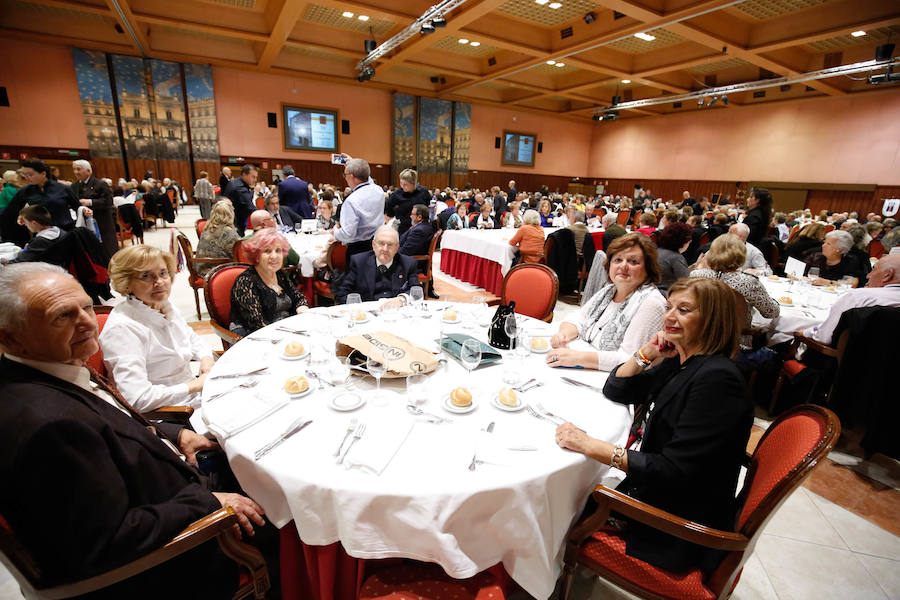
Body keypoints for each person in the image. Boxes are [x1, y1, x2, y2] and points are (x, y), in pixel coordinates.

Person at [0, 263, 270, 597]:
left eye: (85, 307)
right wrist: (208, 502)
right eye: (62, 316)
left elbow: (108, 424)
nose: (86, 322)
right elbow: (104, 541)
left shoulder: (52, 368)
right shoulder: (47, 427)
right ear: (10, 336)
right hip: (181, 558)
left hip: (167, 474)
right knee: (289, 505)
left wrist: (176, 434)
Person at [556, 277, 752, 573]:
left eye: (684, 310)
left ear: (712, 319)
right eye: (670, 306)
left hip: (673, 526)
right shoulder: (684, 359)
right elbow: (617, 389)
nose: (670, 316)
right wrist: (647, 353)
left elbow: (672, 471)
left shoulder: (718, 381)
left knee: (560, 502)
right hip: (658, 494)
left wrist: (590, 445)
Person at [99, 245, 214, 412]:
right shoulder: (123, 328)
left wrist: (206, 358)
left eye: (163, 273)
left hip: (194, 397)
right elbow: (137, 398)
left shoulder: (165, 306)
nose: (159, 282)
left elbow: (191, 339)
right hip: (168, 413)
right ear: (127, 283)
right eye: (146, 276)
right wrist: (194, 386)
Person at [547, 233, 666, 371]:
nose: (623, 266)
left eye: (633, 261)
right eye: (618, 260)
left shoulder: (651, 303)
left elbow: (630, 359)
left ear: (648, 269)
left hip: (613, 380)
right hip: (587, 368)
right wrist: (564, 335)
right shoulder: (609, 290)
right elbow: (579, 318)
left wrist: (578, 358)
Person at [691, 234, 779, 346]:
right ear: (742, 255)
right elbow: (771, 312)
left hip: (699, 337)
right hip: (735, 343)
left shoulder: (696, 276)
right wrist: (774, 300)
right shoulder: (748, 282)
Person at [800, 255, 900, 344]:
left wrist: (802, 333)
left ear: (887, 275)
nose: (868, 276)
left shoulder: (861, 297)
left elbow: (824, 337)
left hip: (845, 361)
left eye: (873, 270)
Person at [230, 229, 309, 337]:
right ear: (256, 255)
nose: (274, 256)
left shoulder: (279, 275)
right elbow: (257, 323)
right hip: (255, 336)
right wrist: (291, 334)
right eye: (267, 251)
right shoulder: (245, 282)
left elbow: (299, 298)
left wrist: (302, 310)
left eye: (278, 251)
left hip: (285, 330)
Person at [1, 158, 80, 246]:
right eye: (24, 175)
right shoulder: (25, 191)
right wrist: (21, 216)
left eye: (30, 174)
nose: (26, 178)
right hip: (42, 237)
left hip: (65, 233)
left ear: (43, 174)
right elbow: (11, 211)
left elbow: (78, 207)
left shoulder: (62, 188)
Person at [336, 225, 419, 305]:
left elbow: (417, 291)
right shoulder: (359, 262)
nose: (385, 249)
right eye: (381, 243)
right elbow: (342, 293)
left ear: (397, 248)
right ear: (373, 245)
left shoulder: (408, 263)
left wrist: (402, 299)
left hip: (396, 313)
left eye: (390, 245)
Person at [331, 156, 385, 260]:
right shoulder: (378, 191)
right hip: (378, 245)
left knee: (357, 276)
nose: (345, 178)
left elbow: (348, 235)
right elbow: (367, 178)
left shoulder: (351, 201)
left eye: (345, 175)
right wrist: (356, 165)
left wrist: (335, 232)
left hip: (358, 251)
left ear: (351, 176)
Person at [71, 159, 117, 257]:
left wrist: (89, 202)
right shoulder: (74, 186)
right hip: (83, 221)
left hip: (102, 221)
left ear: (88, 171)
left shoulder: (100, 184)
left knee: (108, 249)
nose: (76, 172)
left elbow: (108, 202)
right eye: (74, 169)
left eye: (78, 169)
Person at [2, 205, 66, 265]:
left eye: (26, 222)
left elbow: (21, 261)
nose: (25, 225)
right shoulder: (61, 232)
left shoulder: (40, 240)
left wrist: (6, 262)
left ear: (34, 223)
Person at [196, 202, 241, 276]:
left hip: (201, 268)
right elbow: (238, 251)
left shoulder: (208, 228)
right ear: (230, 214)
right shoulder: (227, 231)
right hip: (215, 271)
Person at [385, 169, 430, 235]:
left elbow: (429, 207)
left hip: (421, 227)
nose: (402, 186)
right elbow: (388, 209)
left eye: (405, 184)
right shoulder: (396, 194)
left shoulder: (423, 192)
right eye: (401, 183)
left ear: (413, 183)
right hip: (403, 229)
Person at [655, 221, 693, 292]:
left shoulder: (657, 251)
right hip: (666, 294)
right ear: (683, 242)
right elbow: (686, 282)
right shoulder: (676, 258)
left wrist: (695, 266)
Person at [225, 164, 258, 236]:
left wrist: (251, 189)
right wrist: (265, 217)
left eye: (256, 177)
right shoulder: (239, 187)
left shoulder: (237, 182)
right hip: (234, 223)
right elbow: (250, 206)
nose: (255, 180)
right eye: (253, 177)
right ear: (244, 175)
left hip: (235, 219)